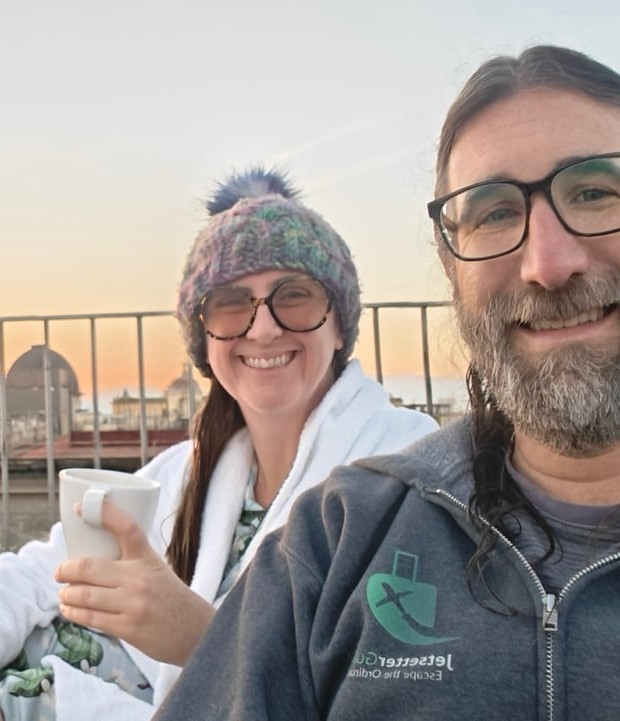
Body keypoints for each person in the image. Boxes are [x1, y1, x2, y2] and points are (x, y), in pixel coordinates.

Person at [0, 169, 437, 721]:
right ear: (203, 340)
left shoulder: (402, 479)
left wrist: (198, 636)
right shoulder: (187, 474)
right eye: (231, 303)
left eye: (295, 296)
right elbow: (34, 573)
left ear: (340, 323)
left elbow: (393, 692)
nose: (263, 328)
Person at [153, 44, 620, 721]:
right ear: (450, 263)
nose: (547, 262)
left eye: (595, 192)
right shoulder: (339, 538)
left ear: (339, 324)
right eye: (493, 212)